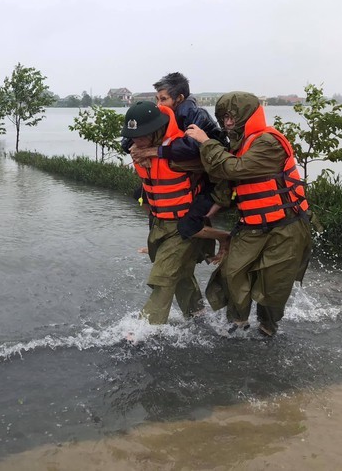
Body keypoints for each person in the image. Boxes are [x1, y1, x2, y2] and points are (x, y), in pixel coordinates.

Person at [185, 91, 312, 337]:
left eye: (232, 116)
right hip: (251, 225)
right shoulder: (237, 144)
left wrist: (206, 142)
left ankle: (268, 328)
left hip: (286, 226)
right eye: (223, 117)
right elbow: (227, 183)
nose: (228, 122)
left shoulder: (267, 142)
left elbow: (235, 169)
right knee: (231, 272)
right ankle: (237, 323)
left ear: (247, 113)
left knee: (274, 283)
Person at [123, 72, 231, 262]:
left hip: (211, 176)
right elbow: (127, 141)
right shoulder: (163, 114)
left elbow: (191, 148)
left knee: (187, 225)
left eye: (163, 99)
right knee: (144, 196)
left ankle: (224, 238)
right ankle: (158, 241)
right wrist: (134, 146)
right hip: (188, 171)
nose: (159, 104)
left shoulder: (194, 115)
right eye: (157, 99)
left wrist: (153, 151)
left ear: (179, 98)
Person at [122, 101, 211, 324]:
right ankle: (197, 314)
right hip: (159, 223)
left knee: (164, 274)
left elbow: (210, 167)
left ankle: (145, 328)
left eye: (142, 135)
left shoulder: (181, 150)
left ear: (156, 131)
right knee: (179, 272)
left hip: (184, 225)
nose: (137, 140)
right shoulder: (137, 148)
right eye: (134, 136)